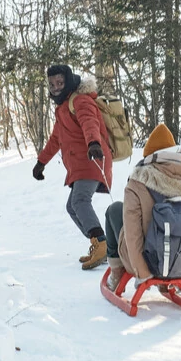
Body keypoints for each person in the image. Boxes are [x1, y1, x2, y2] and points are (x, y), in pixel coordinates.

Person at [104, 123, 181, 290]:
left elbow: (132, 234)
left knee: (114, 210)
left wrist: (143, 274)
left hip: (148, 263)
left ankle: (116, 272)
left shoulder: (138, 181)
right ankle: (180, 274)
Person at [32, 64, 114, 270]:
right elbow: (55, 140)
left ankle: (102, 244)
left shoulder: (80, 100)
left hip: (91, 159)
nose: (55, 87)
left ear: (68, 81)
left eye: (60, 82)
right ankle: (100, 244)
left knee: (79, 201)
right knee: (72, 206)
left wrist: (94, 143)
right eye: (51, 84)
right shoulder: (63, 109)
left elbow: (90, 122)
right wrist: (41, 162)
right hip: (80, 164)